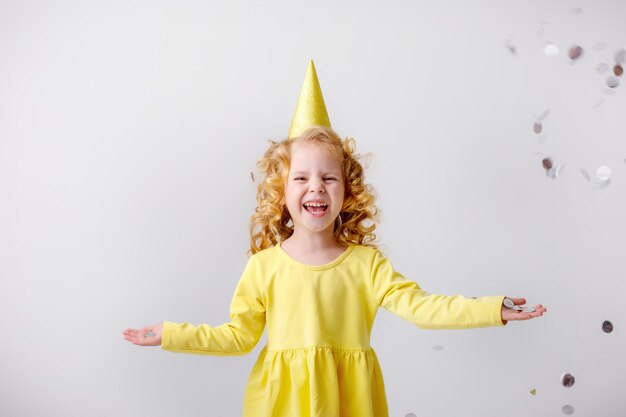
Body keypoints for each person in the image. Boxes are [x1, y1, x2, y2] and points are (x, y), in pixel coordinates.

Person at [123, 61, 547, 417]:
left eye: (329, 178)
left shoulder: (367, 266)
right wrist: (171, 334)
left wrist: (495, 310)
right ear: (281, 191)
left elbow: (424, 308)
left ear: (347, 192)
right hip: (281, 405)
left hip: (352, 402)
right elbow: (237, 337)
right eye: (301, 178)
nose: (316, 188)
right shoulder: (264, 267)